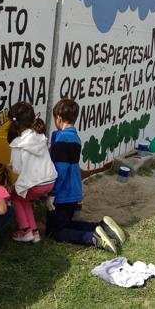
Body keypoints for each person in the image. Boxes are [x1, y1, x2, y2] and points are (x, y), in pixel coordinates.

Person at [46, 99, 126, 253]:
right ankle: (102, 227)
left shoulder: (63, 140)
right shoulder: (74, 137)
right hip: (74, 192)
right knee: (66, 225)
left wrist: (52, 194)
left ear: (59, 118)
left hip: (63, 194)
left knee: (53, 232)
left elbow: (61, 169)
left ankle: (92, 238)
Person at [7, 101, 57, 243]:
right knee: (24, 198)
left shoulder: (18, 144)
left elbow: (17, 169)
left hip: (36, 184)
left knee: (16, 197)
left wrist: (10, 166)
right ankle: (34, 232)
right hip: (50, 181)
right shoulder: (40, 137)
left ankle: (25, 231)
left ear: (15, 123)